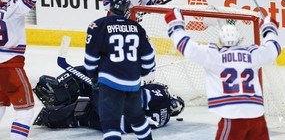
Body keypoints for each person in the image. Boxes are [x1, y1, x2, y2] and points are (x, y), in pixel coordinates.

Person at [164, 8, 281, 140]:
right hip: (257, 116)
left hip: (233, 117)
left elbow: (186, 47)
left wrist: (175, 25)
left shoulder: (215, 56)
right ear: (239, 38)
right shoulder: (252, 54)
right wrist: (270, 28)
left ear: (220, 39)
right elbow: (273, 48)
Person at [84, 0, 156, 140]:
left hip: (110, 84)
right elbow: (149, 58)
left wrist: (94, 77)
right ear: (126, 10)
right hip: (133, 84)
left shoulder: (97, 25)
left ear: (110, 7)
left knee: (111, 126)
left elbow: (90, 60)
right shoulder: (137, 27)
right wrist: (140, 72)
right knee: (138, 120)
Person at [32, 68, 185, 132]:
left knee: (89, 74)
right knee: (82, 114)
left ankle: (56, 93)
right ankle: (48, 117)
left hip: (113, 113)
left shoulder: (162, 93)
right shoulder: (163, 118)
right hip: (112, 121)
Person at [0, 0, 47, 140]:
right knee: (25, 110)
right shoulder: (12, 8)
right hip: (10, 67)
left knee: (1, 105)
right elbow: (28, 0)